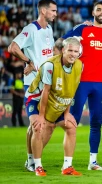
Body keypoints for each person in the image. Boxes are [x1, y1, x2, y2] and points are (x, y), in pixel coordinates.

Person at [62, 1, 102, 170]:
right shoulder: (83, 29)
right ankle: (68, 164)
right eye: (99, 9)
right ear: (93, 12)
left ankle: (92, 162)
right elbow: (62, 42)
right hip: (80, 83)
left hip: (99, 84)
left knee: (96, 122)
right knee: (72, 122)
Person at [8, 0, 56, 172]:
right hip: (33, 86)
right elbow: (12, 48)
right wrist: (28, 61)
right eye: (53, 11)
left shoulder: (49, 30)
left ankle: (31, 160)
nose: (55, 14)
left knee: (40, 125)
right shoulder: (30, 29)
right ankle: (33, 162)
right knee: (37, 124)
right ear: (43, 11)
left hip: (47, 85)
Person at [25, 37, 83, 176]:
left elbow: (71, 89)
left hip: (57, 101)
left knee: (71, 126)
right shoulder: (50, 65)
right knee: (39, 127)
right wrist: (41, 116)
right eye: (70, 50)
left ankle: (67, 166)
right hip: (36, 99)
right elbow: (46, 91)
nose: (72, 54)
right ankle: (36, 165)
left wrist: (67, 113)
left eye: (76, 51)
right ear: (63, 50)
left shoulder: (80, 65)